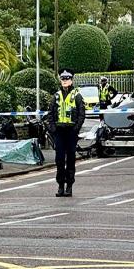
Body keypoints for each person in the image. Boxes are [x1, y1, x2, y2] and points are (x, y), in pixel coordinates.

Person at [47, 69, 85, 197]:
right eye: (63, 79)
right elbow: (50, 114)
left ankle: (69, 185)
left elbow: (81, 114)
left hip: (71, 132)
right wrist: (53, 128)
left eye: (67, 79)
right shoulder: (56, 96)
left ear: (71, 80)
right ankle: (60, 186)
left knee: (70, 159)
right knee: (59, 160)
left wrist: (76, 129)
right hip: (59, 132)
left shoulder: (77, 95)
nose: (65, 81)